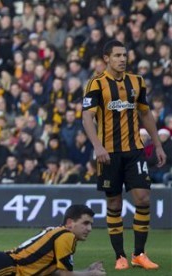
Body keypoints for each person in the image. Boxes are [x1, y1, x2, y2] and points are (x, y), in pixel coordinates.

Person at [82, 40, 167, 270]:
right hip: (108, 154)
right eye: (117, 55)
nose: (122, 59)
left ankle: (139, 254)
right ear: (106, 58)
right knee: (114, 204)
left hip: (135, 151)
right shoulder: (96, 84)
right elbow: (86, 117)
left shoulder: (136, 82)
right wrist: (97, 146)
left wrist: (158, 145)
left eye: (125, 55)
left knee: (143, 199)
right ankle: (120, 255)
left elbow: (145, 114)